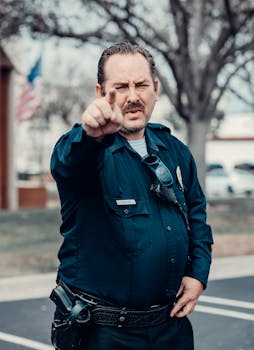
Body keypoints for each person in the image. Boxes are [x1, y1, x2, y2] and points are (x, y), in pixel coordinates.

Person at [50, 42, 213, 350]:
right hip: (103, 332)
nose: (133, 97)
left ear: (156, 88)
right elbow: (68, 166)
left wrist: (198, 273)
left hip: (170, 328)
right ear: (101, 92)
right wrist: (90, 135)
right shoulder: (84, 150)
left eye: (141, 85)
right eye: (120, 87)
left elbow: (197, 214)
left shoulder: (174, 150)